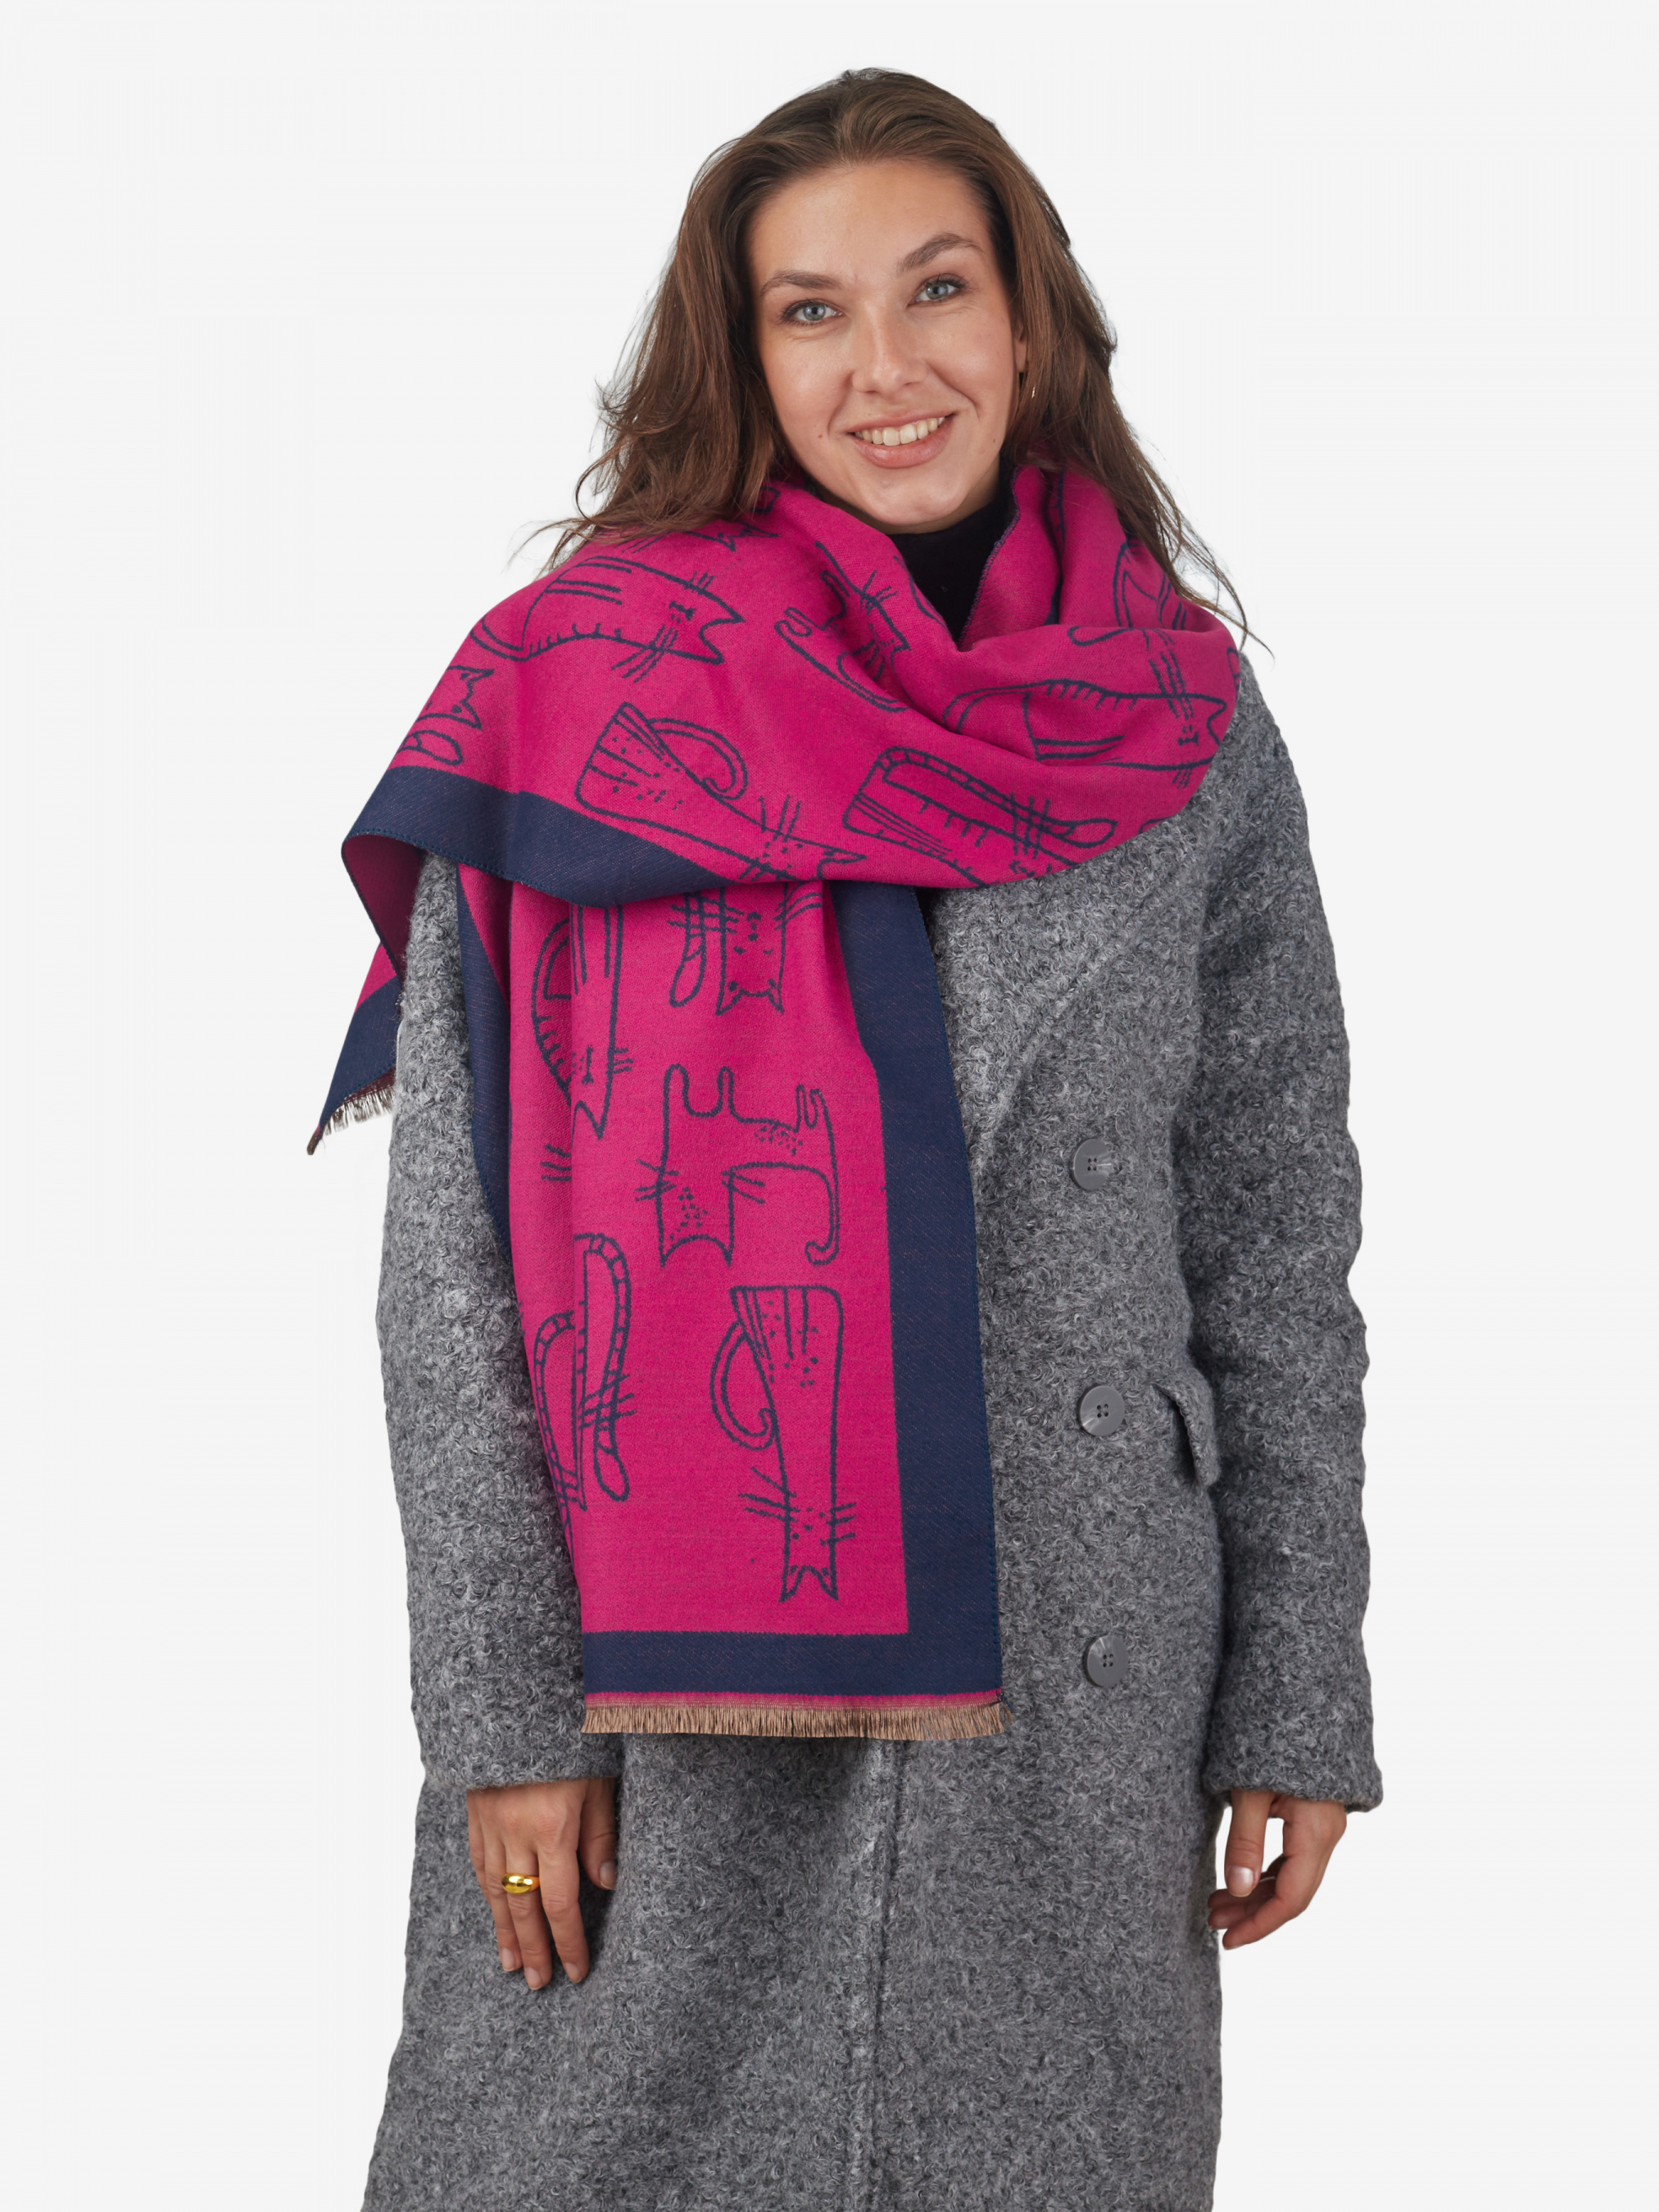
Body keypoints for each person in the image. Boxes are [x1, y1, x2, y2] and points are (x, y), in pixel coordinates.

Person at [317, 66, 1380, 2212]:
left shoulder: (1180, 714)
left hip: (1079, 1675)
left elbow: (1271, 1223)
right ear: (745, 354)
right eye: (811, 311)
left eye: (936, 290)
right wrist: (501, 1713)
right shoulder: (576, 698)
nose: (886, 366)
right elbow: (454, 1263)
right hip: (656, 1695)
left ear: (1031, 319)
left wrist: (1297, 1676)